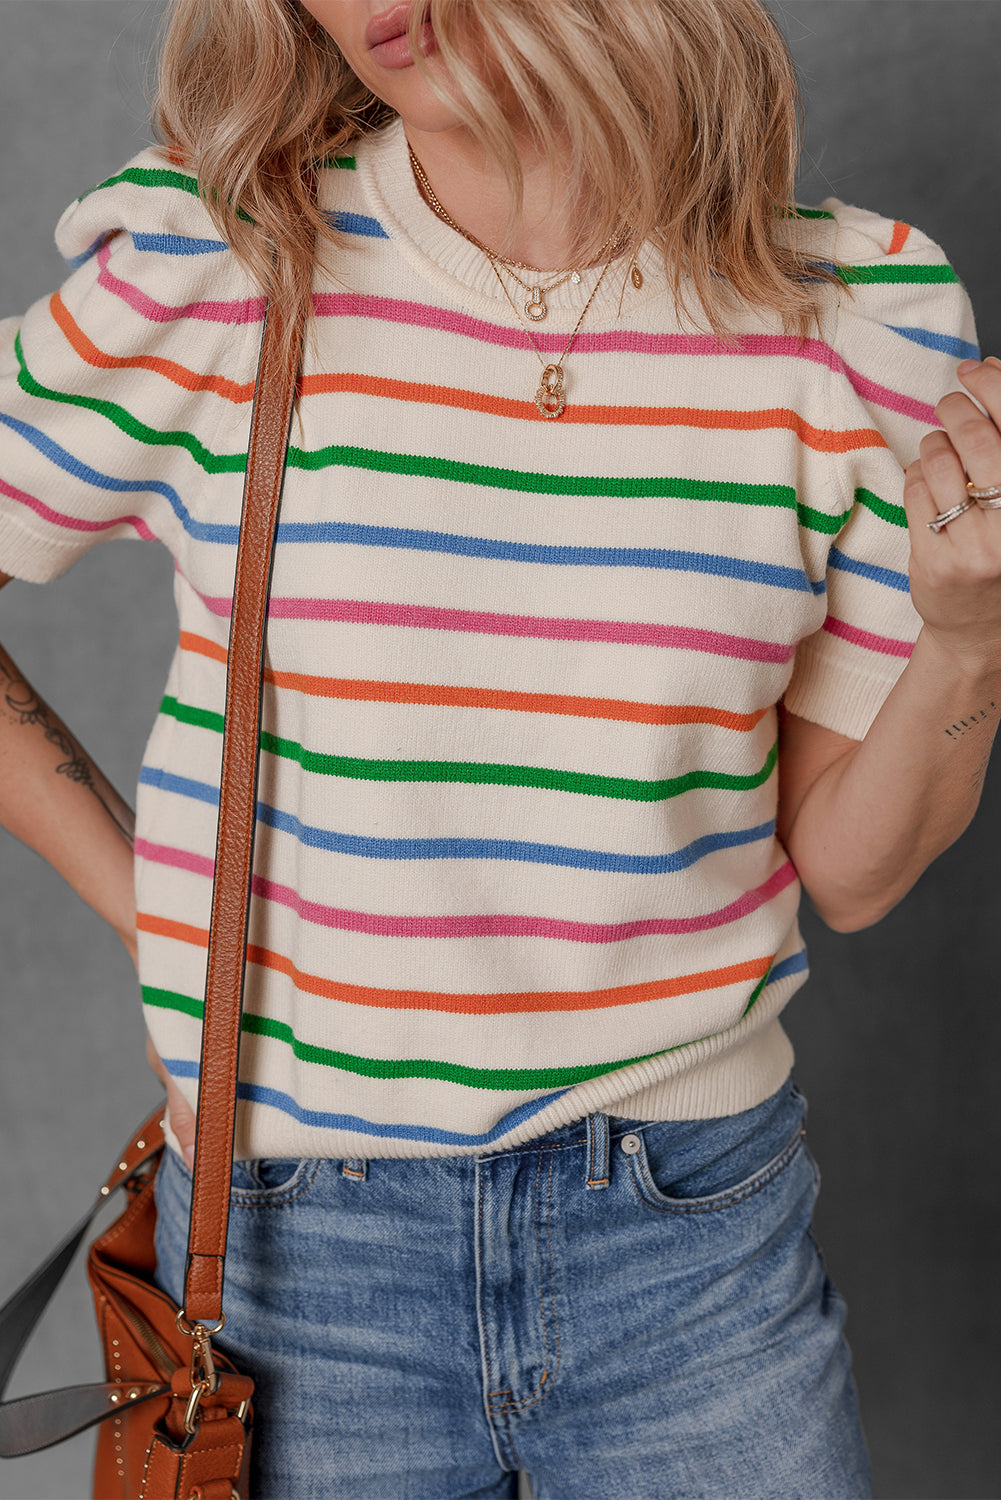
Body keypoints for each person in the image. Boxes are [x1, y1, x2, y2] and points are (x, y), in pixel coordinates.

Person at [1, 0, 999, 1494]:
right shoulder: (229, 261)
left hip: (693, 1254)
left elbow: (849, 872)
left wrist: (969, 639)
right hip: (299, 1255)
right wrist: (162, 914)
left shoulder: (854, 314)